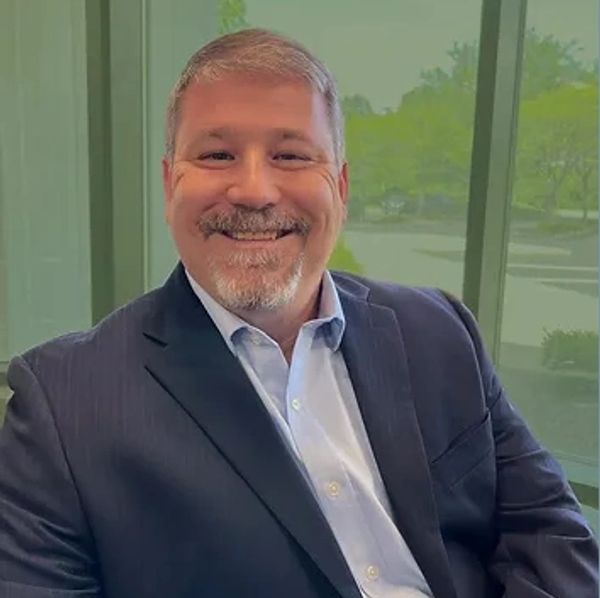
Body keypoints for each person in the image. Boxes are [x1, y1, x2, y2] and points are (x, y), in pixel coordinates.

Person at [0, 28, 596, 598]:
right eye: (216, 154)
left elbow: (549, 529)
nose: (255, 190)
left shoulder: (439, 330)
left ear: (339, 186)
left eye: (290, 155)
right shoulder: (62, 405)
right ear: (168, 185)